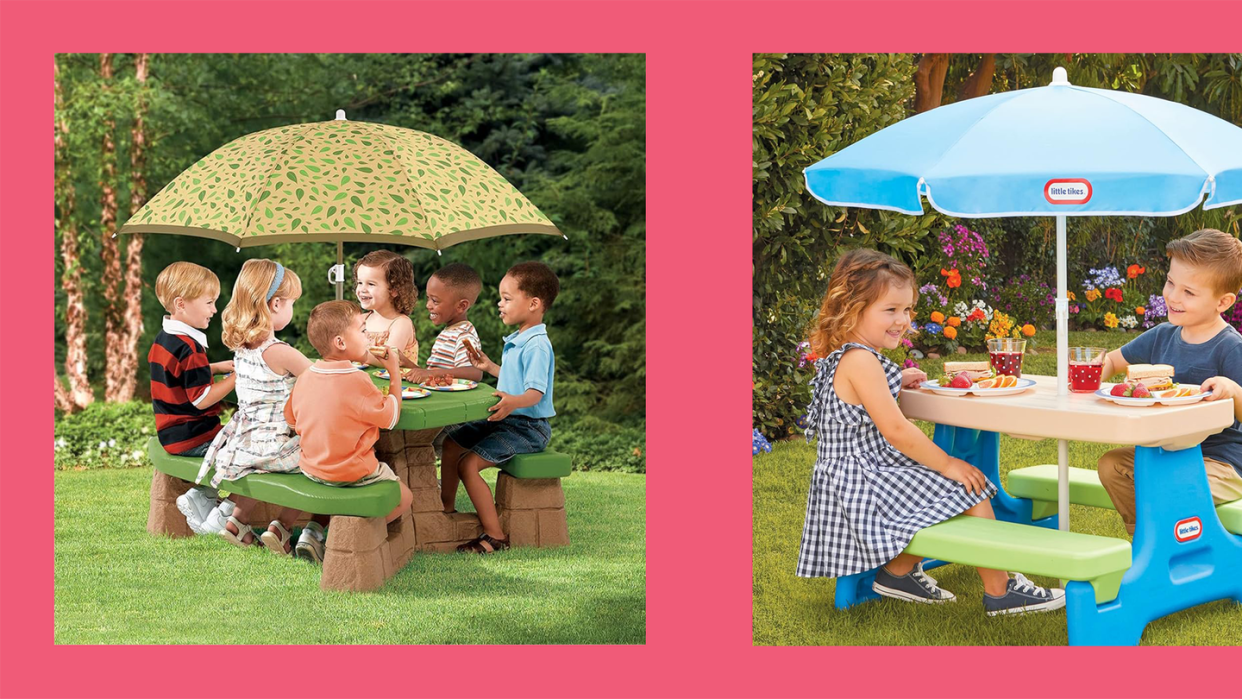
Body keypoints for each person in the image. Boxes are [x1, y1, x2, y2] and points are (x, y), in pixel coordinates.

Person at [797, 248, 1064, 616]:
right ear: (852, 308)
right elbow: (896, 430)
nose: (902, 320)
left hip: (851, 476)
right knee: (970, 487)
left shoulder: (852, 355)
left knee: (953, 490)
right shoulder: (861, 360)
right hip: (861, 483)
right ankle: (1001, 592)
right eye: (890, 310)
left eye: (907, 310)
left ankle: (898, 573)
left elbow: (865, 397)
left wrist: (897, 378)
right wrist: (947, 463)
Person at [1096, 229, 1242, 534]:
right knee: (1112, 464)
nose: (1173, 297)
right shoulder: (1162, 336)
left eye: (1189, 292)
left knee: (1171, 488)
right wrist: (1095, 369)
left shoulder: (1230, 347)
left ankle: (1175, 545)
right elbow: (1113, 361)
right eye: (1171, 282)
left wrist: (1233, 391)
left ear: (1223, 301)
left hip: (1223, 463)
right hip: (1167, 450)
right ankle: (1148, 540)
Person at [196, 260, 322, 558]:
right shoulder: (280, 351)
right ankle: (282, 527)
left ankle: (237, 523)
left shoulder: (242, 348)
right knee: (319, 461)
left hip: (246, 441)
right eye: (292, 303)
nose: (292, 309)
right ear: (276, 304)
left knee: (262, 470)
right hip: (277, 443)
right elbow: (321, 380)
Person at [441, 261, 559, 553]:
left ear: (533, 304)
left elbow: (534, 393)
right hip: (507, 418)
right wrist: (490, 366)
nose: (499, 304)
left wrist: (512, 402)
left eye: (507, 298)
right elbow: (515, 379)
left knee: (469, 465)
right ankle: (445, 508)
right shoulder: (520, 339)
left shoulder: (537, 346)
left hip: (528, 427)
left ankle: (495, 537)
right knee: (452, 442)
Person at [284, 300, 413, 560]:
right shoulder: (358, 380)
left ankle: (313, 531)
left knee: (339, 479)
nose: (368, 336)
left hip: (311, 469)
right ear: (341, 343)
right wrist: (395, 373)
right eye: (363, 330)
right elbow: (391, 417)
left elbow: (292, 421)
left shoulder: (306, 376)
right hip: (353, 473)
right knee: (405, 498)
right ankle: (341, 539)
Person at [148, 261, 236, 535]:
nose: (214, 309)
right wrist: (237, 378)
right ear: (181, 304)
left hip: (171, 434)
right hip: (194, 437)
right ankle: (212, 503)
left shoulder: (165, 339)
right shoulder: (190, 347)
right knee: (250, 447)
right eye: (209, 302)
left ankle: (205, 495)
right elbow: (202, 399)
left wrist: (215, 368)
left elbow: (177, 375)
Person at [417, 263, 485, 466]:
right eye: (428, 298)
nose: (428, 305)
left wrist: (435, 372)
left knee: (414, 442)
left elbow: (474, 372)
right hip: (439, 406)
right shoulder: (450, 331)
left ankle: (426, 486)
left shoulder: (464, 336)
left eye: (435, 300)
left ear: (461, 306)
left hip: (451, 414)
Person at [354, 250, 420, 374]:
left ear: (394, 290)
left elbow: (389, 358)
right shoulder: (362, 320)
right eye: (360, 283)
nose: (362, 289)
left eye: (371, 284)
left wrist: (355, 353)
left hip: (400, 388)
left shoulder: (400, 323)